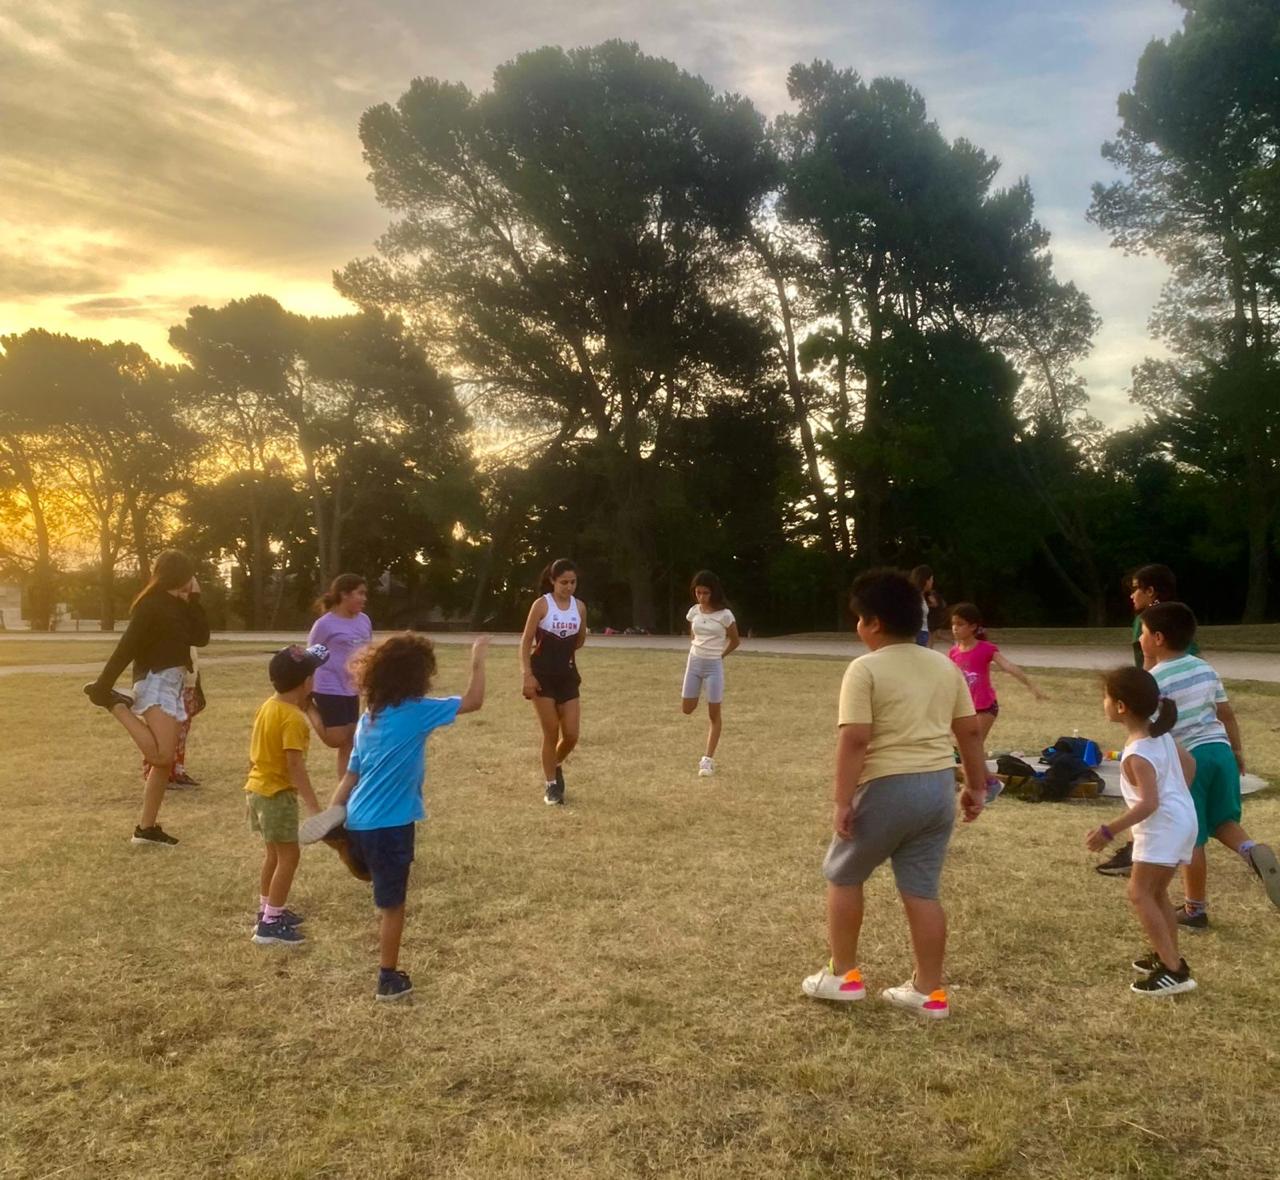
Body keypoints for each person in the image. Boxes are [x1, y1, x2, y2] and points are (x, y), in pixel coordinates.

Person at [802, 569, 988, 1021]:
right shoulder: (945, 666)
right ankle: (929, 991)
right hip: (937, 788)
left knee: (844, 873)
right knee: (921, 890)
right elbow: (969, 731)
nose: (858, 627)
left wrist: (842, 801)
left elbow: (855, 740)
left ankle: (843, 975)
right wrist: (975, 786)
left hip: (888, 786)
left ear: (875, 623)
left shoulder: (865, 668)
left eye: (859, 619)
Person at [300, 633, 488, 1000]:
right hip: (390, 826)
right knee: (392, 905)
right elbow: (474, 701)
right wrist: (477, 659)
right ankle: (388, 978)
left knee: (371, 872)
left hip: (357, 818)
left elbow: (350, 776)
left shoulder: (369, 718)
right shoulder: (418, 711)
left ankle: (341, 839)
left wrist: (333, 814)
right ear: (417, 676)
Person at [1141, 602, 1280, 926]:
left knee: (1192, 836)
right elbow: (1226, 713)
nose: (1140, 639)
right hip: (1220, 752)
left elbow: (1150, 728)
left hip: (1191, 760)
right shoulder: (1204, 668)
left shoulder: (1154, 680)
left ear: (1158, 638)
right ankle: (1251, 851)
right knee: (1222, 821)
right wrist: (1237, 751)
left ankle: (1195, 909)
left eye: (1144, 633)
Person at [83, 550, 210, 847]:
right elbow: (126, 647)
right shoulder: (150, 605)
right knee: (161, 757)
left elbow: (201, 637)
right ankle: (115, 704)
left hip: (173, 683)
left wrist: (194, 599)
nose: (192, 579)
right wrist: (103, 686)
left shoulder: (180, 605)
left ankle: (146, 829)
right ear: (179, 573)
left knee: (163, 763)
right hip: (156, 680)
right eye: (189, 574)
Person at [1086, 667, 1198, 995]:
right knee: (1156, 892)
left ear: (1121, 706)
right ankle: (1168, 956)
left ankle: (1174, 971)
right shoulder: (1159, 735)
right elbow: (1190, 765)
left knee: (1139, 893)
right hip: (1180, 821)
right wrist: (1177, 795)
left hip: (1162, 827)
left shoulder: (1136, 754)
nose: (1104, 703)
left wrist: (1109, 830)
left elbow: (1148, 803)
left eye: (1106, 697)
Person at [1099, 563, 1198, 878]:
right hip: (1175, 715)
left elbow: (1146, 666)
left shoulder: (1149, 620)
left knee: (1142, 893)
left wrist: (1108, 830)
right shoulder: (1179, 617)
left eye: (1136, 588)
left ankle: (1134, 850)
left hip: (1154, 704)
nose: (1132, 595)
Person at [246, 645, 328, 947]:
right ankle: (270, 924)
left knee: (274, 855)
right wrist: (315, 808)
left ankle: (267, 909)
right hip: (277, 795)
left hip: (258, 790)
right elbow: (295, 766)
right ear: (306, 682)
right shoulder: (293, 718)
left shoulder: (268, 706)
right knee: (289, 857)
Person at [520, 559, 586, 805]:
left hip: (567, 676)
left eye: (573, 582)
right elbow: (526, 641)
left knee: (571, 734)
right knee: (551, 732)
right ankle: (551, 786)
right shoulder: (542, 604)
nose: (568, 587)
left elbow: (580, 640)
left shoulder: (580, 607)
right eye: (563, 582)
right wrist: (527, 674)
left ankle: (555, 763)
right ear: (552, 581)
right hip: (542, 677)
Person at [947, 603, 1045, 744]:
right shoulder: (953, 652)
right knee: (962, 746)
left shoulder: (985, 648)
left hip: (985, 706)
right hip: (965, 707)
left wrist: (1031, 686)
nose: (955, 628)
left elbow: (1008, 666)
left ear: (973, 626)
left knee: (974, 744)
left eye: (960, 624)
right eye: (953, 624)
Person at [307, 573, 373, 778]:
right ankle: (307, 707)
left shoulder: (364, 620)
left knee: (350, 740)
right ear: (344, 594)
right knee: (337, 738)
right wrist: (305, 687)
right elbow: (311, 656)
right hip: (328, 684)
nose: (364, 598)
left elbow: (367, 653)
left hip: (351, 686)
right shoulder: (324, 624)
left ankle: (345, 790)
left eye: (365, 594)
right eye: (360, 593)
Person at [680, 570, 741, 777]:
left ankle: (707, 760)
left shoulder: (725, 615)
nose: (701, 597)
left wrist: (720, 655)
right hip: (694, 662)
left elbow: (735, 640)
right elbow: (693, 635)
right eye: (698, 592)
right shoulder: (694, 612)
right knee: (687, 709)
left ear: (713, 592)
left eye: (705, 593)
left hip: (714, 665)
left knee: (714, 713)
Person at [142, 647, 205, 789]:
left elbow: (193, 659)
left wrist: (196, 684)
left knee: (181, 733)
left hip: (187, 684)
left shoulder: (188, 637)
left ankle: (177, 771)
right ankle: (155, 772)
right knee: (161, 732)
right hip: (168, 685)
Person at [909, 565, 942, 647]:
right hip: (918, 634)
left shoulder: (923, 596)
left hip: (923, 633)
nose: (932, 582)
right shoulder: (914, 598)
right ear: (926, 581)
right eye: (931, 579)